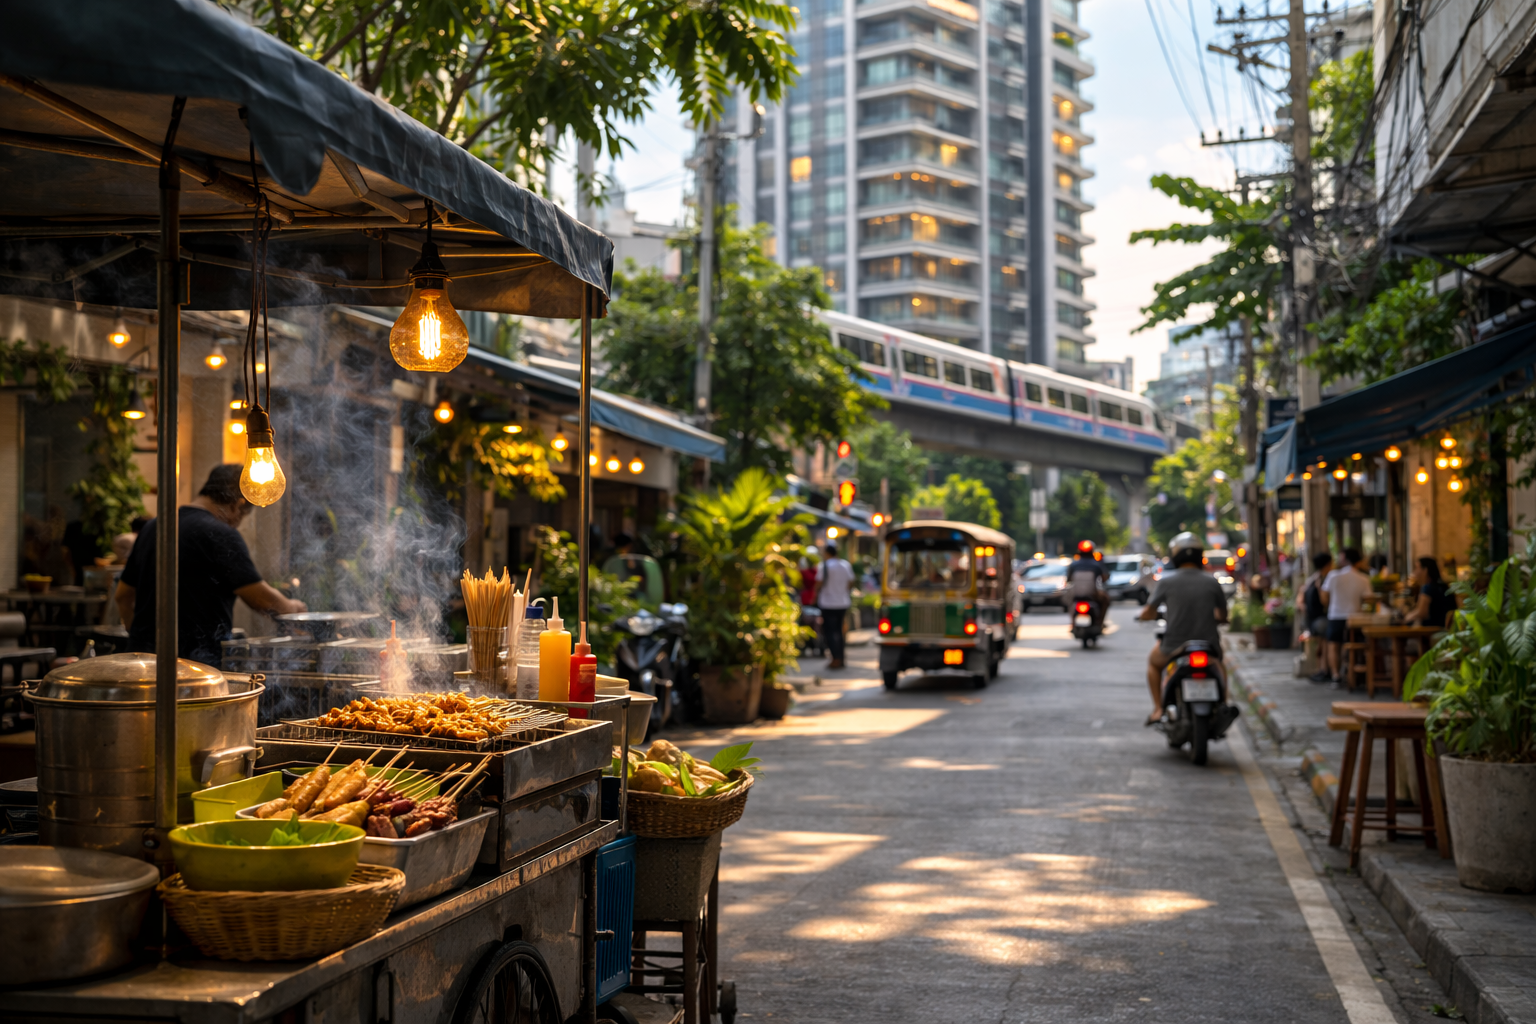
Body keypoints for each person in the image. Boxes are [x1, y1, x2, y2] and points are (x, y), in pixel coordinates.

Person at [117, 465, 306, 667]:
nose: (236, 524)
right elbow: (260, 598)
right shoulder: (221, 534)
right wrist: (292, 608)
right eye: (241, 516)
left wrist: (142, 642)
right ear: (237, 504)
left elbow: (122, 596)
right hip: (194, 668)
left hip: (140, 664)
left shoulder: (154, 526)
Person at [1137, 532, 1227, 724]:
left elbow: (1149, 612)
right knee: (1220, 666)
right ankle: (1223, 705)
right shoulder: (1212, 582)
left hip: (1173, 647)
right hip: (1208, 646)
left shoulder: (1167, 582)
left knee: (1153, 663)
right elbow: (1222, 616)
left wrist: (1145, 617)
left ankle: (1158, 708)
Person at [1321, 546, 1373, 685]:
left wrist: (1330, 605)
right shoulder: (1364, 578)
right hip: (1356, 618)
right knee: (1356, 646)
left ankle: (1336, 675)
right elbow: (1368, 599)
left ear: (1344, 558)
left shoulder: (1333, 575)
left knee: (1334, 646)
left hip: (1336, 615)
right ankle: (1355, 675)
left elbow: (1324, 596)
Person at [814, 542, 856, 670]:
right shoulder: (845, 565)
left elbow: (819, 583)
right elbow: (851, 582)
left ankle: (836, 658)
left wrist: (815, 596)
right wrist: (842, 592)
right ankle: (840, 658)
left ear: (827, 553)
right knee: (839, 631)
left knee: (830, 632)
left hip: (828, 603)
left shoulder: (824, 566)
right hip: (842, 602)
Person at [1296, 550, 1334, 682]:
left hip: (1312, 619)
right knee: (1327, 644)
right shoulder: (1324, 579)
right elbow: (1325, 601)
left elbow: (1300, 599)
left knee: (1322, 645)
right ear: (1328, 564)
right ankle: (1325, 670)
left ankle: (1322, 670)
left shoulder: (1312, 579)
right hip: (1321, 619)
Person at [600, 532, 665, 606]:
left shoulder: (612, 556)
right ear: (627, 546)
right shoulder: (616, 558)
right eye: (629, 546)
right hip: (617, 593)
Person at [1404, 556, 1458, 629]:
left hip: (1434, 631)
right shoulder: (1444, 587)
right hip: (1449, 630)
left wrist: (1406, 618)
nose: (1414, 572)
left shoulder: (1428, 587)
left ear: (1425, 570)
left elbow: (1421, 613)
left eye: (1417, 568)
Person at [1066, 540, 1109, 627]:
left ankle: (1073, 623)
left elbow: (1068, 579)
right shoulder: (1096, 565)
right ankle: (1100, 621)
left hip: (1075, 594)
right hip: (1093, 594)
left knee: (1068, 602)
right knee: (1105, 600)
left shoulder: (1073, 565)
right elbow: (1104, 578)